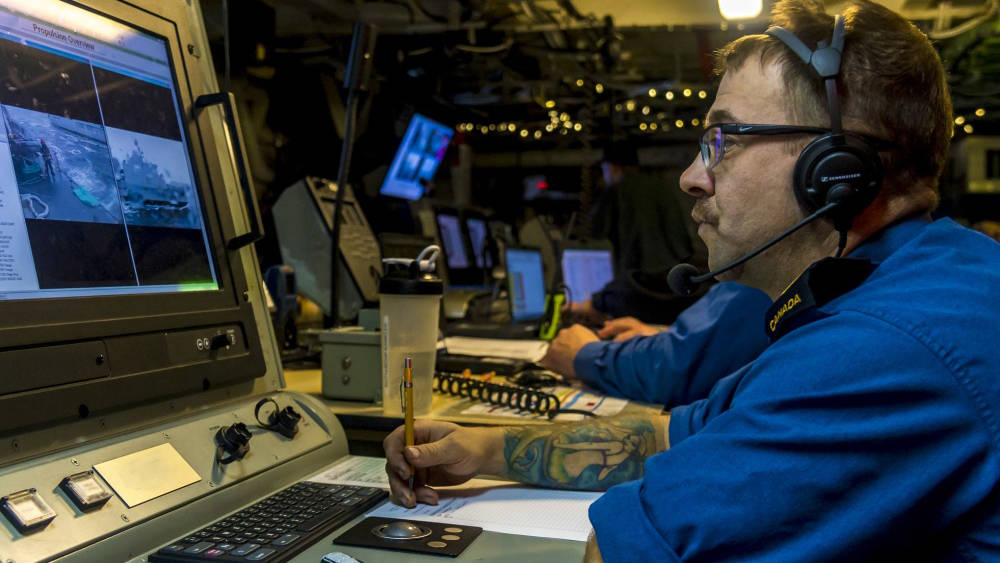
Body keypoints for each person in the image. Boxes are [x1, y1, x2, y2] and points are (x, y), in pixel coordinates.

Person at [384, 1, 1000, 561]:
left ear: (835, 171)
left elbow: (628, 554)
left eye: (722, 140)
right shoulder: (900, 282)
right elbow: (672, 432)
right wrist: (487, 448)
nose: (691, 177)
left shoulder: (884, 346)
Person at [542, 281, 771, 406]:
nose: (690, 190)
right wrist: (660, 339)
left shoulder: (765, 276)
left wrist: (583, 354)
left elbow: (673, 370)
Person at [569, 143, 706, 325]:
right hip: (675, 291)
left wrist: (597, 302)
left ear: (612, 167)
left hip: (635, 292)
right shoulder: (661, 186)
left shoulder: (616, 191)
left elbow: (590, 235)